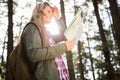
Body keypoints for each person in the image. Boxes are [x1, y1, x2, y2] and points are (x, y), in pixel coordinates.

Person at [21, 1, 74, 80]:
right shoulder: (32, 27)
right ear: (40, 12)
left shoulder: (46, 33)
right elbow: (34, 54)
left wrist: (58, 18)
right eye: (49, 11)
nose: (51, 14)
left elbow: (63, 36)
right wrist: (63, 47)